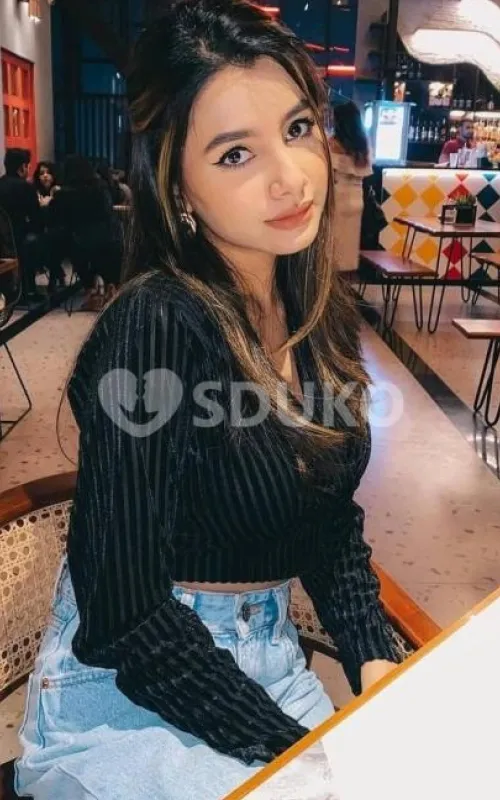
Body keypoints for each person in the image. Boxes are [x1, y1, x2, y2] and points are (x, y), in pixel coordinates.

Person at [16, 3, 402, 798]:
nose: (290, 176)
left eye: (297, 129)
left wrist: (375, 660)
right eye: (235, 154)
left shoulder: (311, 310)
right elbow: (125, 616)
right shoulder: (155, 324)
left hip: (269, 663)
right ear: (177, 186)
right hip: (127, 696)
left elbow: (327, 520)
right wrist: (298, 752)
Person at [47, 155, 123, 305]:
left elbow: (54, 219)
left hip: (81, 243)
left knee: (65, 243)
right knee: (104, 250)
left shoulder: (64, 194)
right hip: (110, 239)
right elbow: (109, 212)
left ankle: (89, 288)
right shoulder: (101, 187)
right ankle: (111, 286)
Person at [330, 101, 373, 272]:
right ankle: (348, 281)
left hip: (337, 198)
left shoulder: (333, 143)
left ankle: (333, 285)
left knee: (334, 251)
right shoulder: (363, 145)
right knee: (349, 250)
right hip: (357, 199)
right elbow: (367, 171)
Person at [0, 148, 43, 299]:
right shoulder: (26, 187)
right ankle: (30, 288)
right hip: (19, 237)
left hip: (3, 240)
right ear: (22, 167)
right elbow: (36, 218)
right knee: (42, 239)